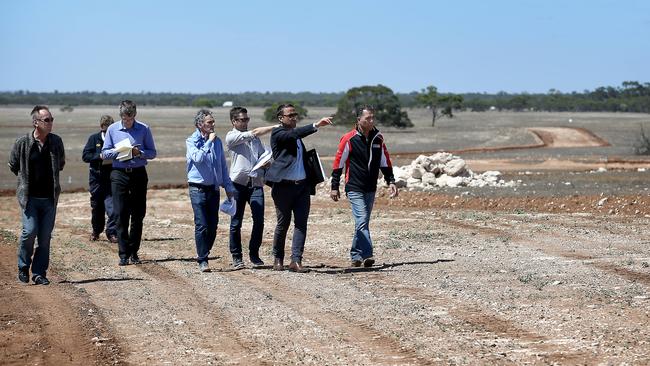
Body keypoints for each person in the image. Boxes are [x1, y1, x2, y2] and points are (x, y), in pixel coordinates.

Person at [265, 103, 333, 272]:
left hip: (302, 187)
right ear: (281, 118)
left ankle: (296, 261)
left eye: (295, 114)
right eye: (290, 115)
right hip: (283, 187)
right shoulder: (278, 133)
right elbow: (294, 134)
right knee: (283, 223)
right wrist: (316, 125)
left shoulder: (297, 139)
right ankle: (278, 259)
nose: (294, 117)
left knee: (301, 224)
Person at [330, 105, 398, 267]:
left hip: (370, 187)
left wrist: (391, 181)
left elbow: (385, 161)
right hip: (354, 186)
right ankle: (367, 254)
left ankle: (355, 255)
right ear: (358, 120)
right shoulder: (349, 138)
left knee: (363, 222)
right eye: (368, 118)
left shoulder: (378, 138)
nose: (371, 121)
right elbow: (338, 163)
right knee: (361, 221)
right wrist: (334, 186)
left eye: (373, 117)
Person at [9, 105, 65, 285]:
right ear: (35, 123)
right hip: (30, 199)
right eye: (46, 120)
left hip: (49, 198)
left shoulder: (56, 142)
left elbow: (61, 164)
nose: (50, 123)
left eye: (51, 119)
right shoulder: (22, 143)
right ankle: (23, 267)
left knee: (45, 238)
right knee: (29, 231)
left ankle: (39, 273)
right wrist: (25, 183)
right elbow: (13, 164)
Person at [101, 100, 157, 266]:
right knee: (120, 214)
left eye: (130, 118)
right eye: (124, 118)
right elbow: (104, 153)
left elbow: (153, 153)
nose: (127, 121)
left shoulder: (144, 129)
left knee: (138, 214)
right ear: (120, 116)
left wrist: (139, 153)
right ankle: (123, 253)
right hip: (119, 174)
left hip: (138, 173)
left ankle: (134, 252)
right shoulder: (112, 129)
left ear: (135, 115)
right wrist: (117, 151)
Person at [225, 107, 275, 269]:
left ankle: (254, 254)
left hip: (255, 184)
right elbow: (252, 133)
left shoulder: (255, 139)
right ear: (234, 121)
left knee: (259, 221)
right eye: (242, 119)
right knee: (236, 222)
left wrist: (266, 163)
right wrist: (273, 127)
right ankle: (237, 256)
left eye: (247, 119)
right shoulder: (232, 136)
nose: (246, 122)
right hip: (237, 185)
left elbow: (261, 155)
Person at [186, 109, 235, 272]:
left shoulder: (218, 142)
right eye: (209, 122)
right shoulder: (191, 141)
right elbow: (198, 158)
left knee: (213, 225)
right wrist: (208, 142)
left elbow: (222, 166)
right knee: (201, 224)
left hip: (213, 189)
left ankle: (204, 251)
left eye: (213, 121)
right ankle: (203, 260)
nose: (213, 124)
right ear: (200, 124)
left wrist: (228, 187)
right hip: (197, 188)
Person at [82, 115, 118, 243]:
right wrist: (100, 156)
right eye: (105, 130)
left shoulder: (116, 140)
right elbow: (85, 156)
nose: (107, 132)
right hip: (96, 179)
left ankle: (112, 233)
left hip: (111, 178)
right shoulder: (94, 139)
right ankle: (96, 231)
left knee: (113, 207)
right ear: (101, 127)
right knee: (97, 207)